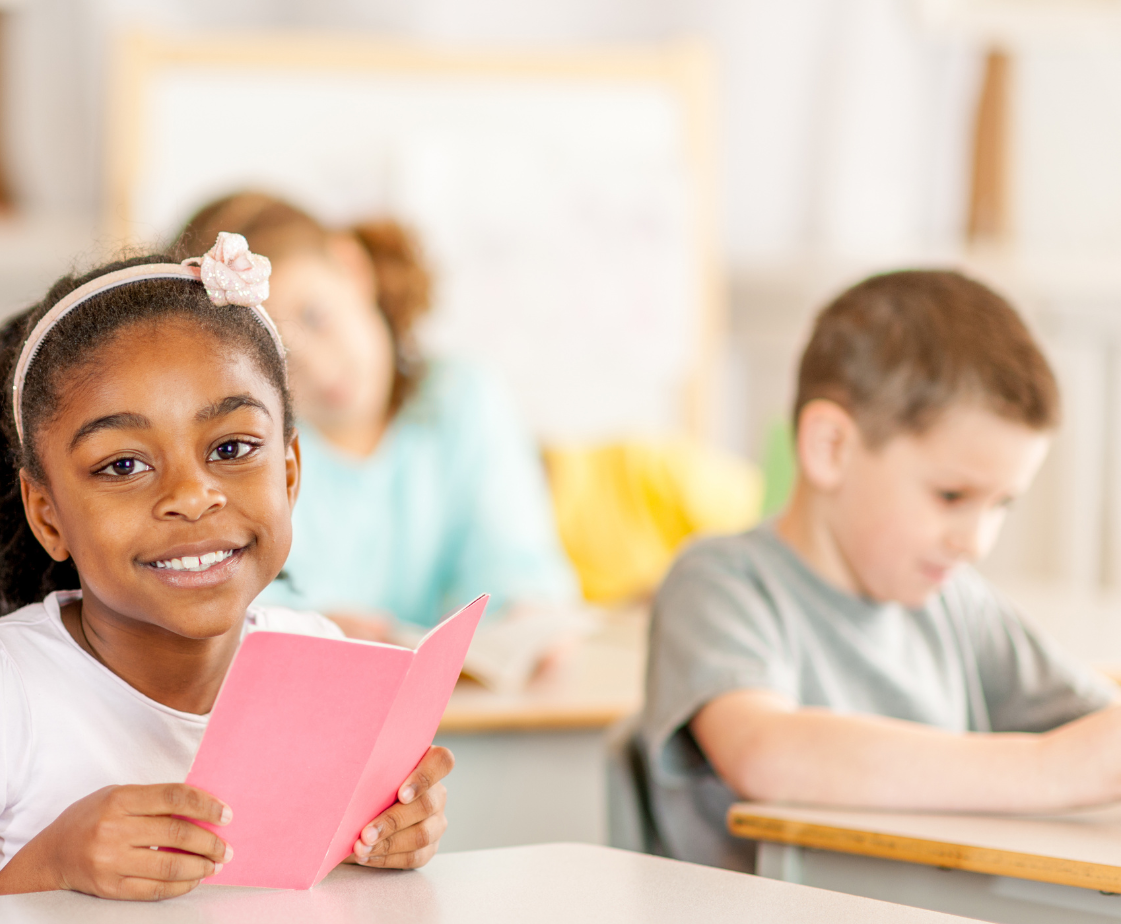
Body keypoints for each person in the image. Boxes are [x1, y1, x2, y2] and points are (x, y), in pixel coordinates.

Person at [0, 234, 454, 905]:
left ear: (288, 473)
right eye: (123, 465)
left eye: (232, 447)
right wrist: (52, 866)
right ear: (48, 515)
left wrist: (382, 846)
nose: (193, 495)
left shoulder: (319, 660)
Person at [641, 270, 1121, 872]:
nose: (976, 540)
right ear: (830, 448)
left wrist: (1082, 757)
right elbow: (767, 753)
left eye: (1002, 504)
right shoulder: (721, 583)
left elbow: (1098, 733)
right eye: (952, 496)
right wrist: (1051, 769)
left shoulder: (956, 602)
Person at [174, 193, 576, 641]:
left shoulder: (462, 399)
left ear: (352, 268)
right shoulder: (244, 453)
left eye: (317, 316)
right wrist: (310, 627)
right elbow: (222, 603)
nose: (322, 371)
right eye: (279, 358)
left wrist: (527, 612)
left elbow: (516, 566)